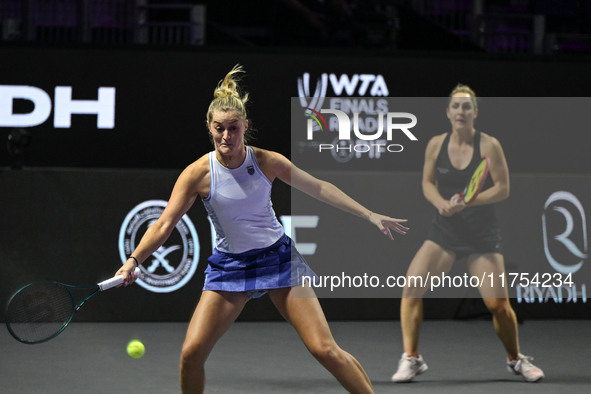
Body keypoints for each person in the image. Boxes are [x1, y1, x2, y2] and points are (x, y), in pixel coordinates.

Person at [116, 65, 409, 394]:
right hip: (230, 267)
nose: (226, 136)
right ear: (209, 129)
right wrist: (134, 259)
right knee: (191, 354)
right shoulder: (197, 174)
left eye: (233, 128)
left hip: (278, 260)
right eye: (219, 129)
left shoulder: (267, 161)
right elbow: (165, 223)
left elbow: (320, 188)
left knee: (325, 350)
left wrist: (368, 214)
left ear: (245, 127)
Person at [391, 84, 544, 383]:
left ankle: (516, 359)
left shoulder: (489, 145)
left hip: (481, 236)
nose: (461, 111)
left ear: (475, 112)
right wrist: (441, 204)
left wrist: (470, 201)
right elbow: (427, 183)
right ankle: (411, 358)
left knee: (498, 305)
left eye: (467, 106)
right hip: (444, 233)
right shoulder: (435, 144)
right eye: (456, 106)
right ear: (447, 112)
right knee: (411, 290)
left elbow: (503, 188)